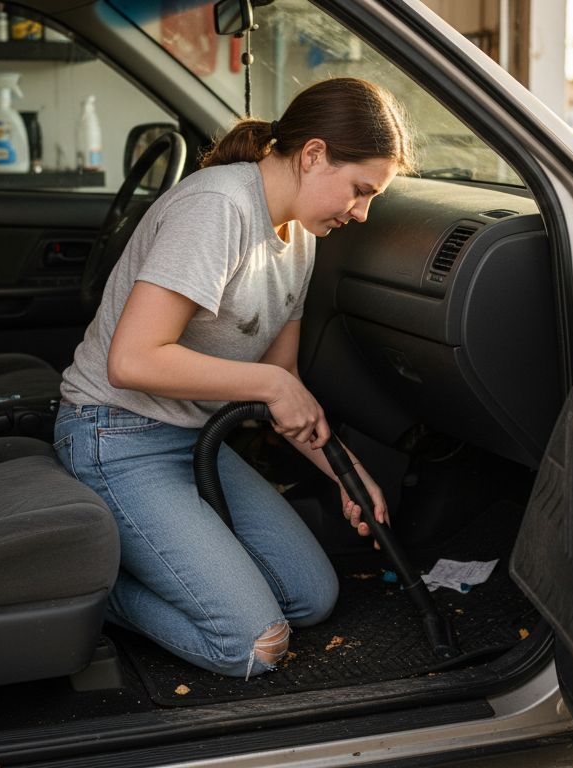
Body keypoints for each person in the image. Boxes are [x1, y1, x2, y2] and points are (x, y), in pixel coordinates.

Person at [55, 77, 414, 678]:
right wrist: (273, 387)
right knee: (253, 646)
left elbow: (283, 385)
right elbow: (134, 361)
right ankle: (95, 593)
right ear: (314, 154)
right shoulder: (218, 207)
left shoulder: (300, 235)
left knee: (311, 599)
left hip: (196, 442)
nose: (362, 212)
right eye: (360, 190)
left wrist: (348, 475)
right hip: (114, 436)